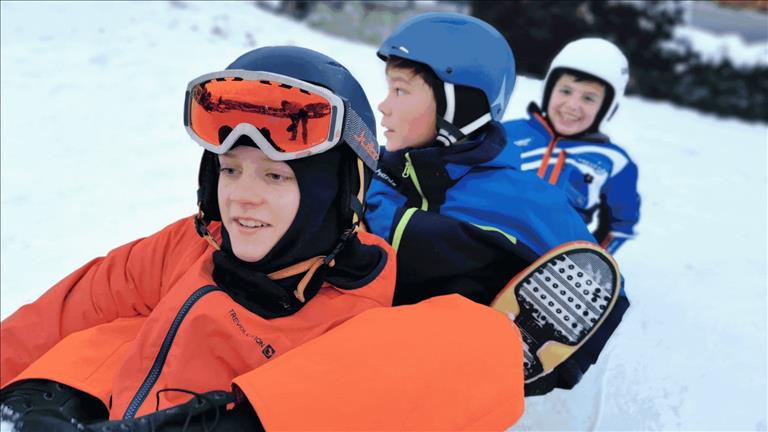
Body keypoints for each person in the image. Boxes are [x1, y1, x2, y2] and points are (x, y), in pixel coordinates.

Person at [0, 46, 526, 431]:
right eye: (230, 171)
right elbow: (56, 318)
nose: (242, 198)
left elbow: (483, 348)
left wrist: (247, 421)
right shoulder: (188, 248)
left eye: (276, 176)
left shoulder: (362, 309)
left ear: (337, 191)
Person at [364, 13, 630, 396]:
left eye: (401, 91)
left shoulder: (524, 201)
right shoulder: (378, 171)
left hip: (432, 378)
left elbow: (602, 291)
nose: (384, 106)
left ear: (459, 106)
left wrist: (556, 362)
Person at [502, 38, 641, 254]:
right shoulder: (507, 134)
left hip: (548, 263)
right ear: (548, 89)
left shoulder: (614, 163)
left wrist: (589, 261)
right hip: (488, 242)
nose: (572, 106)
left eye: (588, 98)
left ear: (606, 108)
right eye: (565, 91)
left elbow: (621, 224)